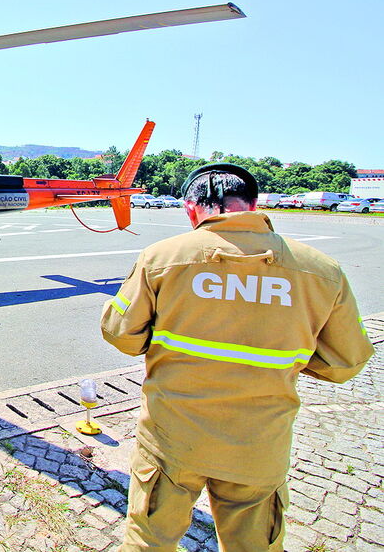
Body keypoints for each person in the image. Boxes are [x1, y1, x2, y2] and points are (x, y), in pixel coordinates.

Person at [100, 163, 374, 552]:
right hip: (259, 444)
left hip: (173, 438)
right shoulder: (321, 271)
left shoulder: (161, 257)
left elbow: (121, 334)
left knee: (149, 541)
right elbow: (346, 362)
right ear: (253, 204)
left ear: (191, 208)